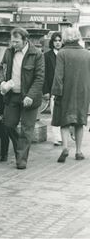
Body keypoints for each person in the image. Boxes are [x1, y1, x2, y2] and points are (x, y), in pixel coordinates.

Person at [0, 27, 44, 169]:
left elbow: (39, 77)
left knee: (26, 129)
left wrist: (30, 95)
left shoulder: (36, 54)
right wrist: (2, 83)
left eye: (17, 41)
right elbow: (2, 69)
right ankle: (21, 148)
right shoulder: (8, 52)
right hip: (12, 96)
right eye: (12, 41)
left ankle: (21, 159)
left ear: (25, 40)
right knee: (8, 124)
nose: (14, 44)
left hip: (29, 98)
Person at [51, 27, 90, 162]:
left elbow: (58, 76)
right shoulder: (87, 53)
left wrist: (56, 93)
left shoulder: (62, 53)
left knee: (64, 121)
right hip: (83, 92)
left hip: (66, 91)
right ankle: (78, 151)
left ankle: (65, 148)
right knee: (80, 122)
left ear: (65, 38)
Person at [42, 32, 63, 145]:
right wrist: (45, 91)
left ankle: (65, 134)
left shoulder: (66, 54)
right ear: (52, 42)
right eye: (55, 40)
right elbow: (44, 74)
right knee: (54, 113)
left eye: (59, 40)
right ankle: (57, 138)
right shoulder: (47, 56)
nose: (58, 43)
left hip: (66, 89)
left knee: (65, 113)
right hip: (53, 89)